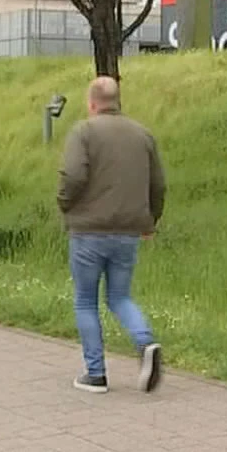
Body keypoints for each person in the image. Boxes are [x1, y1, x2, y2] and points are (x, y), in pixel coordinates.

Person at [56, 76, 166, 394]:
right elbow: (158, 185)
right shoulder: (142, 134)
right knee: (120, 297)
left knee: (86, 301)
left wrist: (65, 204)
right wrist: (149, 222)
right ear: (117, 101)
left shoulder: (84, 131)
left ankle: (96, 374)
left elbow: (73, 175)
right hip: (128, 232)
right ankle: (146, 342)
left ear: (91, 103)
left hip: (88, 231)